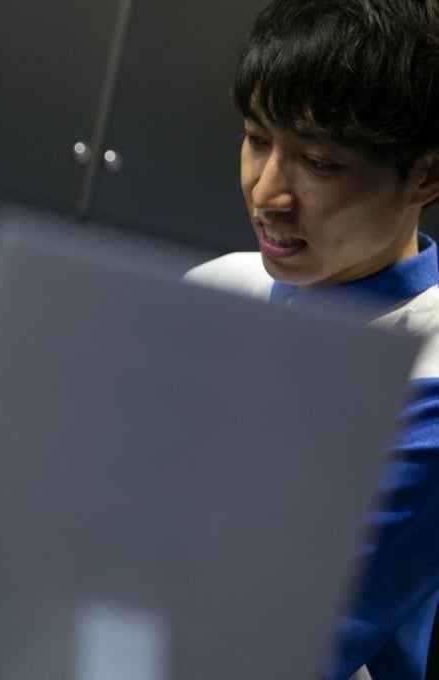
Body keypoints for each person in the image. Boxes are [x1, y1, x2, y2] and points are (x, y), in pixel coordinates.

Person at [185, 1, 439, 678]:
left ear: (426, 174)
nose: (267, 192)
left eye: (319, 162)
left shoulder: (427, 377)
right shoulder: (215, 291)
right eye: (257, 138)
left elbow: (265, 653)